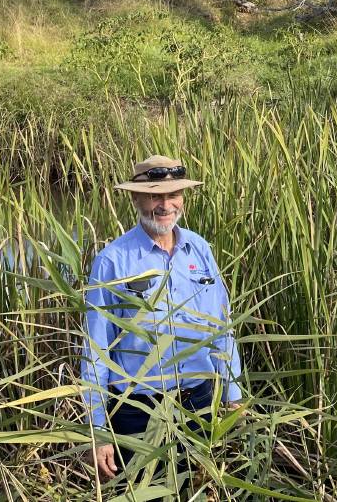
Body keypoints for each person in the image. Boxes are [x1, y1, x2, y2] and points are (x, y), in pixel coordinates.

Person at [81, 154, 242, 482]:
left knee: (194, 489)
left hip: (198, 401)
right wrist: (97, 430)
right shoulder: (112, 261)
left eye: (173, 194)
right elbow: (95, 351)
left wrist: (233, 394)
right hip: (137, 411)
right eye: (155, 195)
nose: (165, 204)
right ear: (136, 198)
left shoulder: (199, 250)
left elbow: (222, 326)